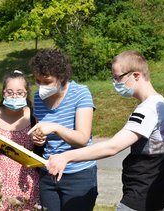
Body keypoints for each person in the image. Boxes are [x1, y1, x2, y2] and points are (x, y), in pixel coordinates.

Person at [46, 50, 164, 211]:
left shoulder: (148, 109)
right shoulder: (157, 103)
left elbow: (112, 146)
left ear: (136, 75)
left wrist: (66, 157)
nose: (115, 83)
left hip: (141, 195)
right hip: (151, 193)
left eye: (118, 78)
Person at [27, 48, 97, 211]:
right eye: (38, 81)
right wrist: (39, 139)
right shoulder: (38, 97)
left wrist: (56, 128)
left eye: (47, 81)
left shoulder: (80, 93)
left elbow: (82, 139)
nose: (41, 86)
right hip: (48, 172)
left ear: (62, 77)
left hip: (78, 173)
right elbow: (41, 132)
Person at [0, 70, 41, 210]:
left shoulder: (36, 118)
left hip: (27, 182)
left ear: (26, 93)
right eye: (9, 92)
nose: (14, 96)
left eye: (19, 93)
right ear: (3, 93)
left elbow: (41, 150)